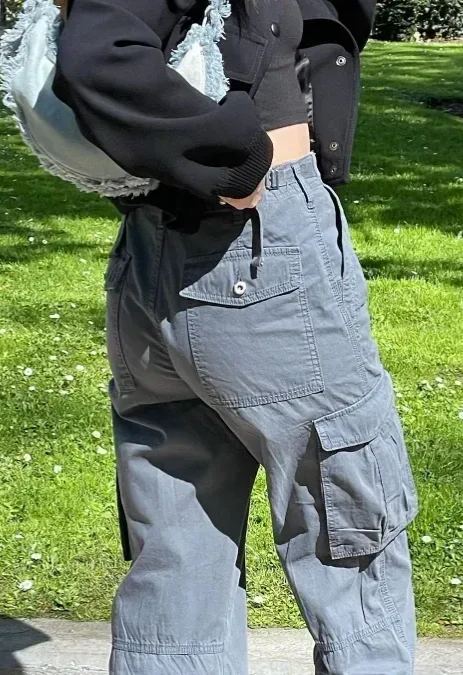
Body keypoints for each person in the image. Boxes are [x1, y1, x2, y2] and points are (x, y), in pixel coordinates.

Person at [52, 0, 420, 673]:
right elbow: (100, 56)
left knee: (177, 545)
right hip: (259, 243)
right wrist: (233, 154)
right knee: (349, 524)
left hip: (156, 253)